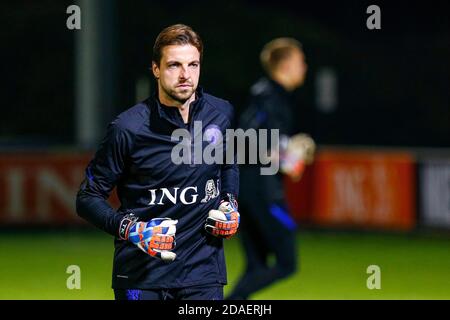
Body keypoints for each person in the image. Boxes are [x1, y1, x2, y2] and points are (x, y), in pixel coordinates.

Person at [76, 24, 240, 300]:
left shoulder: (222, 115)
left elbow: (228, 165)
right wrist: (132, 229)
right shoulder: (128, 128)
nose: (185, 75)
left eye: (193, 64)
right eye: (174, 65)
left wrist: (230, 204)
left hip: (203, 275)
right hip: (142, 276)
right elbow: (87, 197)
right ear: (155, 69)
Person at [226, 38, 309, 300]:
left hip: (247, 189)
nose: (304, 67)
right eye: (300, 61)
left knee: (257, 266)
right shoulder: (272, 98)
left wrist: (283, 153)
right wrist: (290, 157)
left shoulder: (263, 94)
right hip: (262, 192)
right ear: (285, 65)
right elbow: (251, 143)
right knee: (287, 263)